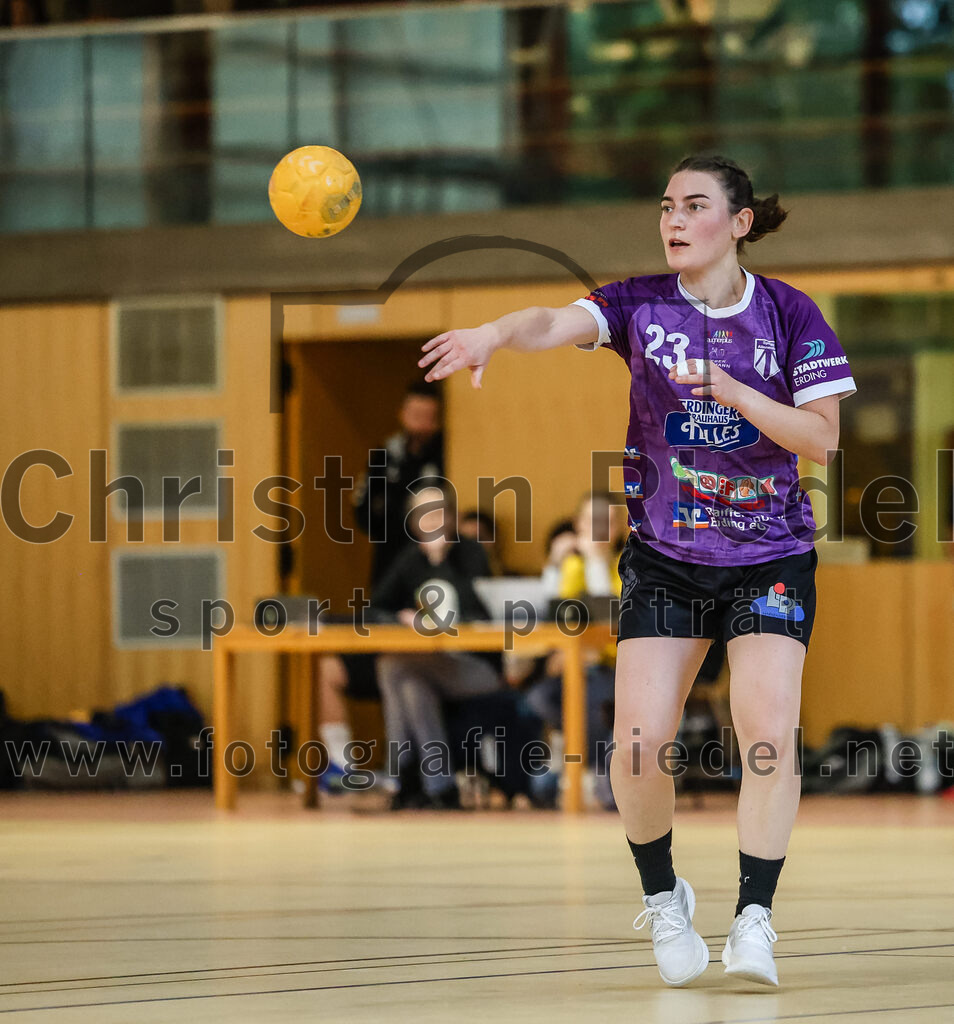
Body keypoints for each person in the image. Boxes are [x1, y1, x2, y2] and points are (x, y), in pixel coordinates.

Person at [418, 154, 856, 987]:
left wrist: (734, 390)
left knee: (768, 734)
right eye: (665, 207)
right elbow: (552, 321)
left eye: (694, 205)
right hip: (665, 559)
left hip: (769, 554)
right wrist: (494, 334)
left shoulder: (790, 314)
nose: (674, 220)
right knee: (638, 743)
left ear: (741, 223)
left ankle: (754, 916)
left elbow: (823, 439)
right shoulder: (638, 304)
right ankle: (664, 896)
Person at [372, 484, 505, 810]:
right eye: (423, 512)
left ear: (450, 516)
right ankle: (440, 788)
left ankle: (400, 775)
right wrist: (403, 617)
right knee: (412, 688)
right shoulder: (409, 558)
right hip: (429, 665)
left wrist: (440, 561)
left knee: (390, 666)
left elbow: (478, 608)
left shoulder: (470, 552)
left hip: (477, 666)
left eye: (439, 511)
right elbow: (375, 607)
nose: (432, 519)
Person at [353, 381, 444, 588]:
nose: (420, 423)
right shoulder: (385, 454)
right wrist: (382, 525)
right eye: (415, 415)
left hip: (432, 550)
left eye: (427, 417)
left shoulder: (445, 454)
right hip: (390, 550)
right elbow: (363, 503)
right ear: (402, 414)